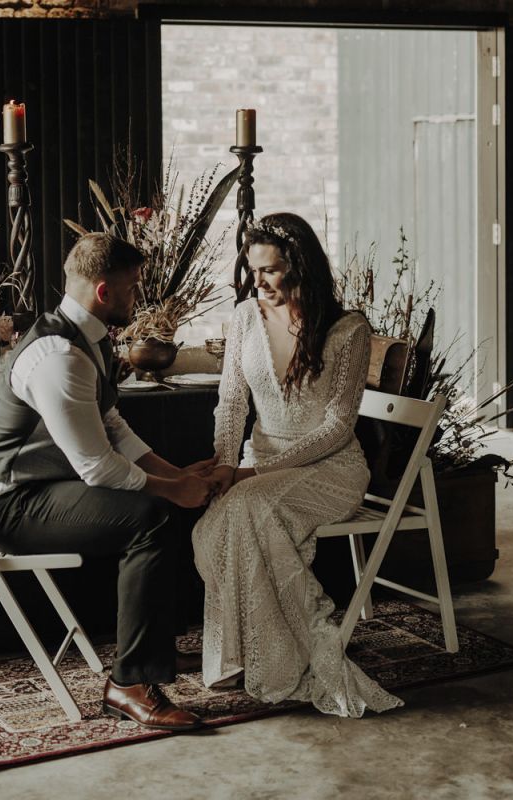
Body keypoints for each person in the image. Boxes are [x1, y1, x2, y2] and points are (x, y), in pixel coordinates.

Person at [0, 232, 218, 732]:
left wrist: (176, 474)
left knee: (163, 501)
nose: (136, 296)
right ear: (104, 292)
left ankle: (155, 654)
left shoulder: (89, 337)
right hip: (6, 505)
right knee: (151, 517)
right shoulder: (59, 356)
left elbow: (113, 428)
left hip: (35, 488)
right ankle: (129, 683)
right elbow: (97, 468)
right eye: (132, 287)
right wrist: (171, 491)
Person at [192, 212, 403, 717]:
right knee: (213, 526)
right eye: (252, 269)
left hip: (330, 470)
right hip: (256, 467)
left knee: (248, 509)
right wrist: (226, 466)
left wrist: (248, 476)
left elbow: (336, 428)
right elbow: (232, 404)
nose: (258, 282)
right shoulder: (245, 317)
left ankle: (283, 661)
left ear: (301, 266)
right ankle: (243, 654)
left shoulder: (347, 330)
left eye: (270, 270)